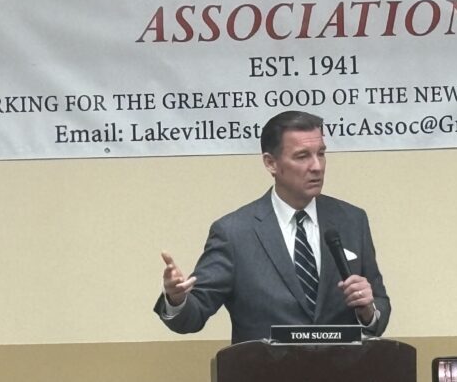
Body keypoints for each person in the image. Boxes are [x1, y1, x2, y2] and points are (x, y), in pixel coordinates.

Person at [154, 110, 390, 343]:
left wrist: (368, 311)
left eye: (321, 153)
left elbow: (379, 308)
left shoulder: (351, 220)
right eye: (302, 156)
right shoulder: (235, 233)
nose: (317, 166)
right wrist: (176, 300)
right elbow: (192, 316)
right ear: (271, 163)